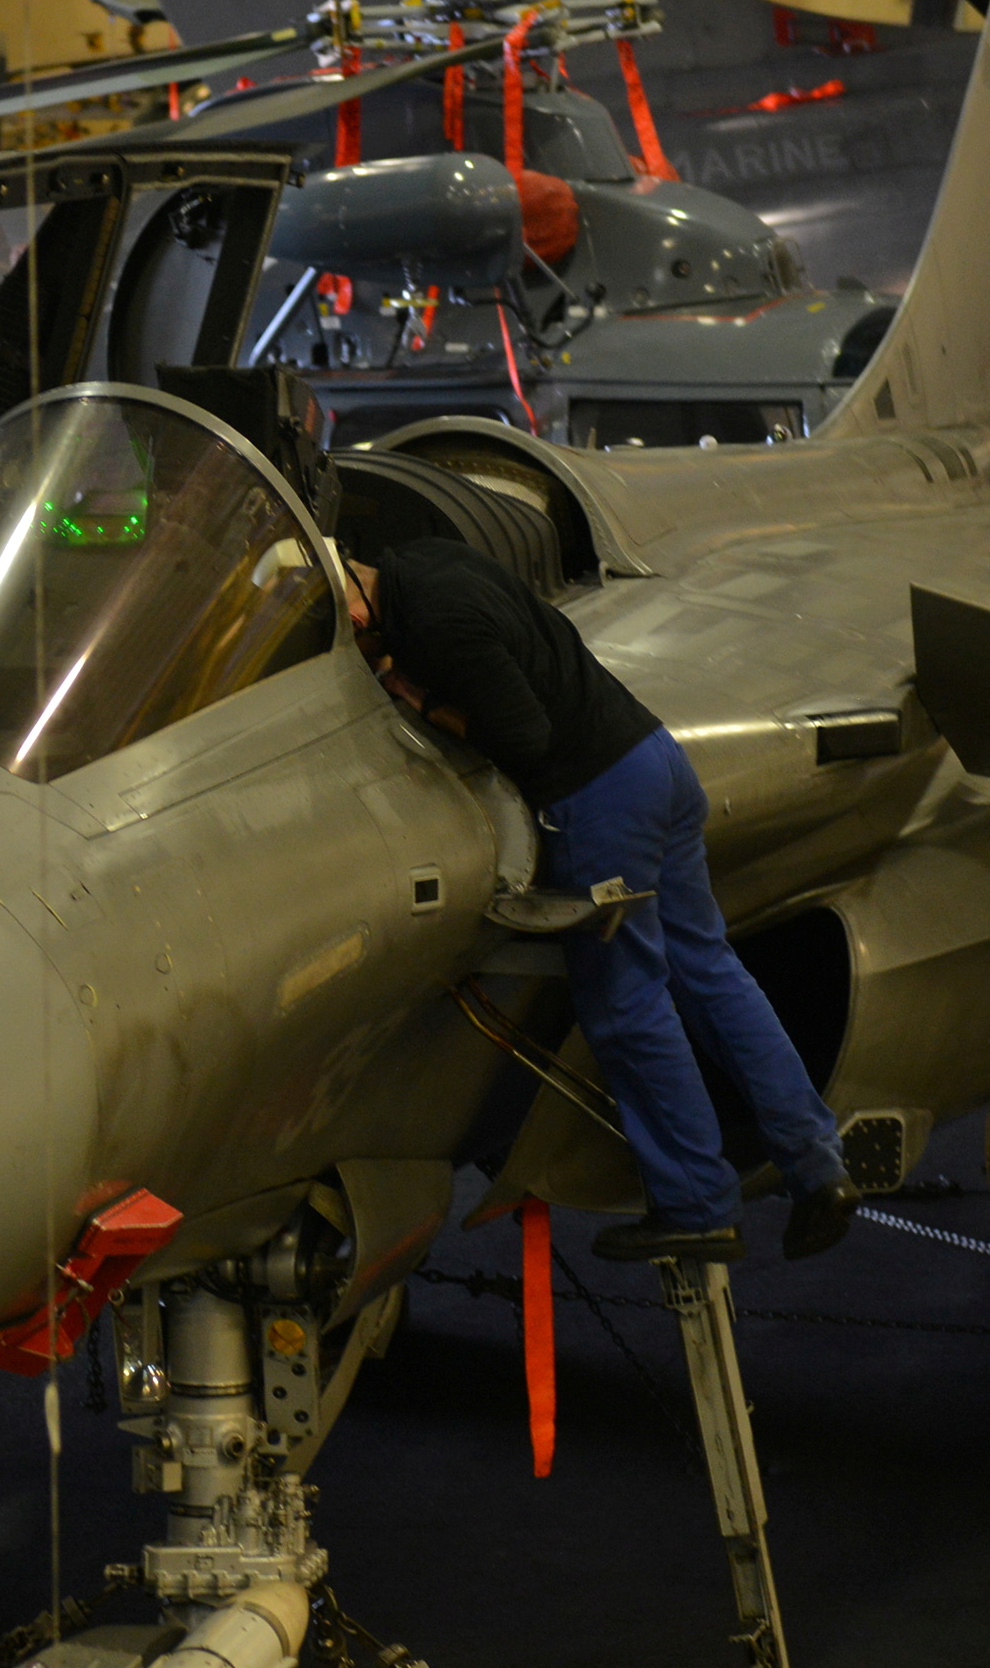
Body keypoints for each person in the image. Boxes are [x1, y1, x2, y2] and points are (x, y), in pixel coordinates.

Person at [344, 536, 859, 1264]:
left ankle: (696, 1206)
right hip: (653, 761)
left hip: (597, 802)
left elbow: (525, 736)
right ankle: (817, 1165)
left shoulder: (433, 625)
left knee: (626, 1006)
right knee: (709, 973)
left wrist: (424, 702)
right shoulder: (427, 560)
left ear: (353, 605)